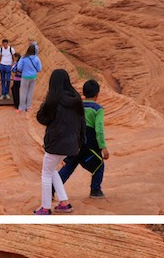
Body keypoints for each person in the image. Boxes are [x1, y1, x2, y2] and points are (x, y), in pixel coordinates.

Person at [32, 69, 85, 215]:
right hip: (72, 144)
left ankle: (45, 207)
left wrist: (45, 105)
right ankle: (64, 203)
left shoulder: (54, 100)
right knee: (52, 170)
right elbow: (82, 123)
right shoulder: (76, 99)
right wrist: (80, 142)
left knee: (46, 174)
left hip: (56, 144)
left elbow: (42, 118)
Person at [58, 79, 109, 199]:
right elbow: (99, 129)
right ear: (97, 94)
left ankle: (52, 189)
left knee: (69, 166)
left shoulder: (77, 106)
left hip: (75, 142)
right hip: (90, 144)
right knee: (99, 165)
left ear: (83, 93)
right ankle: (95, 190)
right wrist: (103, 147)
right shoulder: (97, 109)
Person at [15, 45, 42, 113]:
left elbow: (19, 67)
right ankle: (28, 106)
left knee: (23, 92)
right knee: (30, 92)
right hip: (33, 77)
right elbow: (39, 69)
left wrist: (25, 69)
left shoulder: (24, 58)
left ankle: (22, 108)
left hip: (25, 76)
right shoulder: (36, 58)